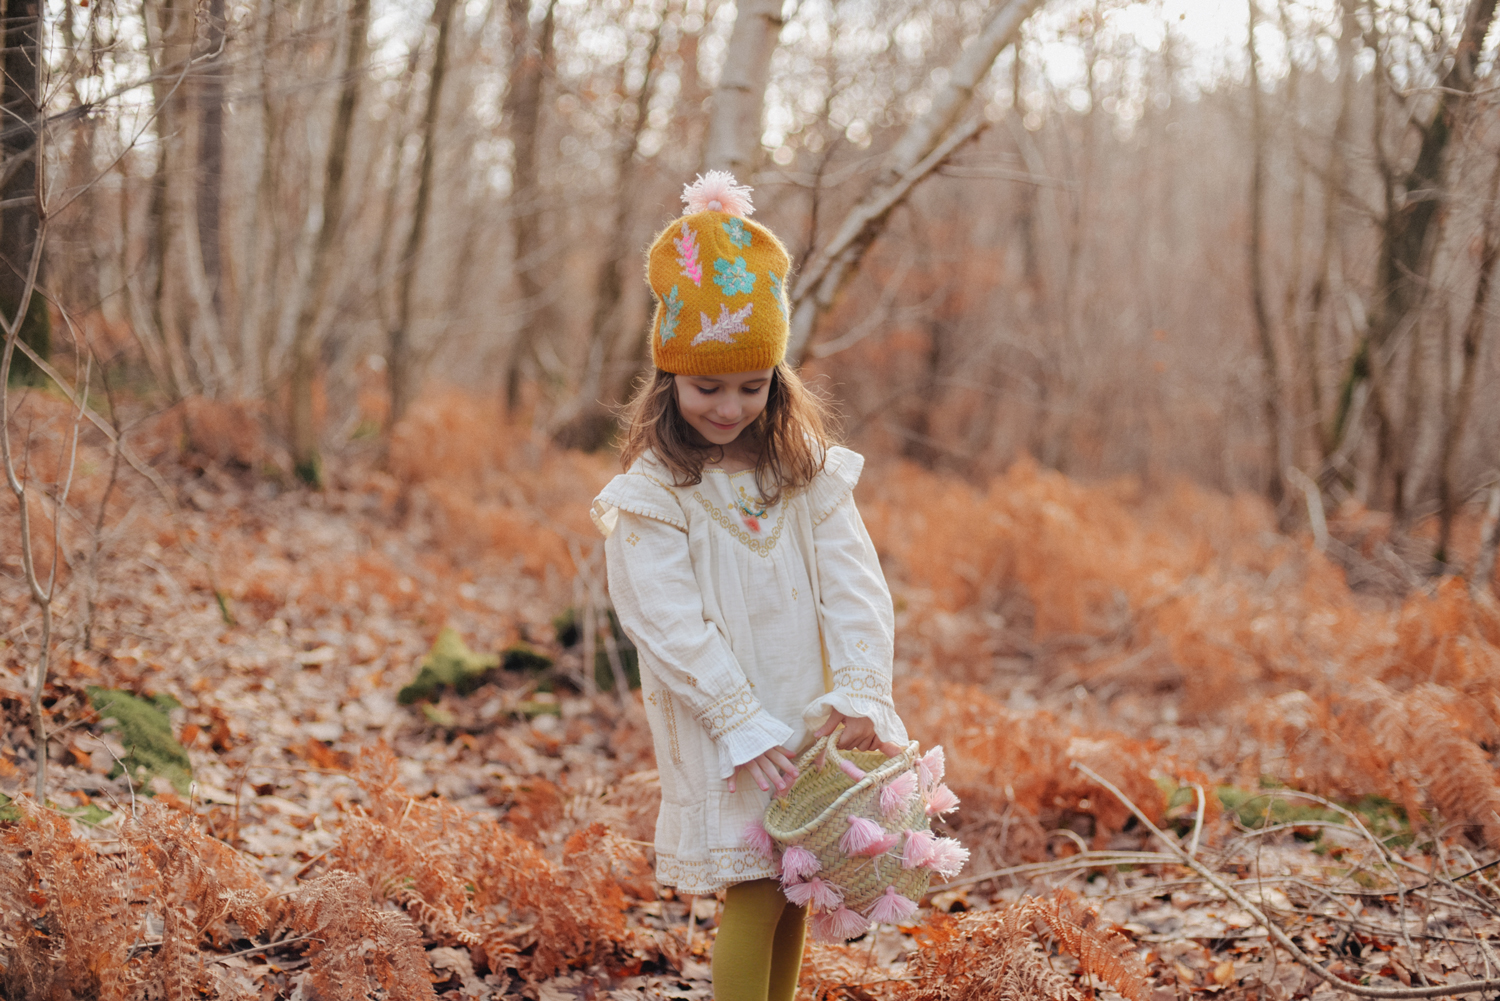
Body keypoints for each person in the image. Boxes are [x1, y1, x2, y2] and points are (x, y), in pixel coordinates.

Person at [590, 172, 907, 1001]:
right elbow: (664, 620)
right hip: (730, 724)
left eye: (750, 385)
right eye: (706, 387)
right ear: (668, 380)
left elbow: (854, 584)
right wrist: (737, 717)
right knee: (758, 887)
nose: (729, 407)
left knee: (803, 880)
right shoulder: (656, 493)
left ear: (776, 377)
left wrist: (860, 689)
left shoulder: (803, 473)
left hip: (808, 713)